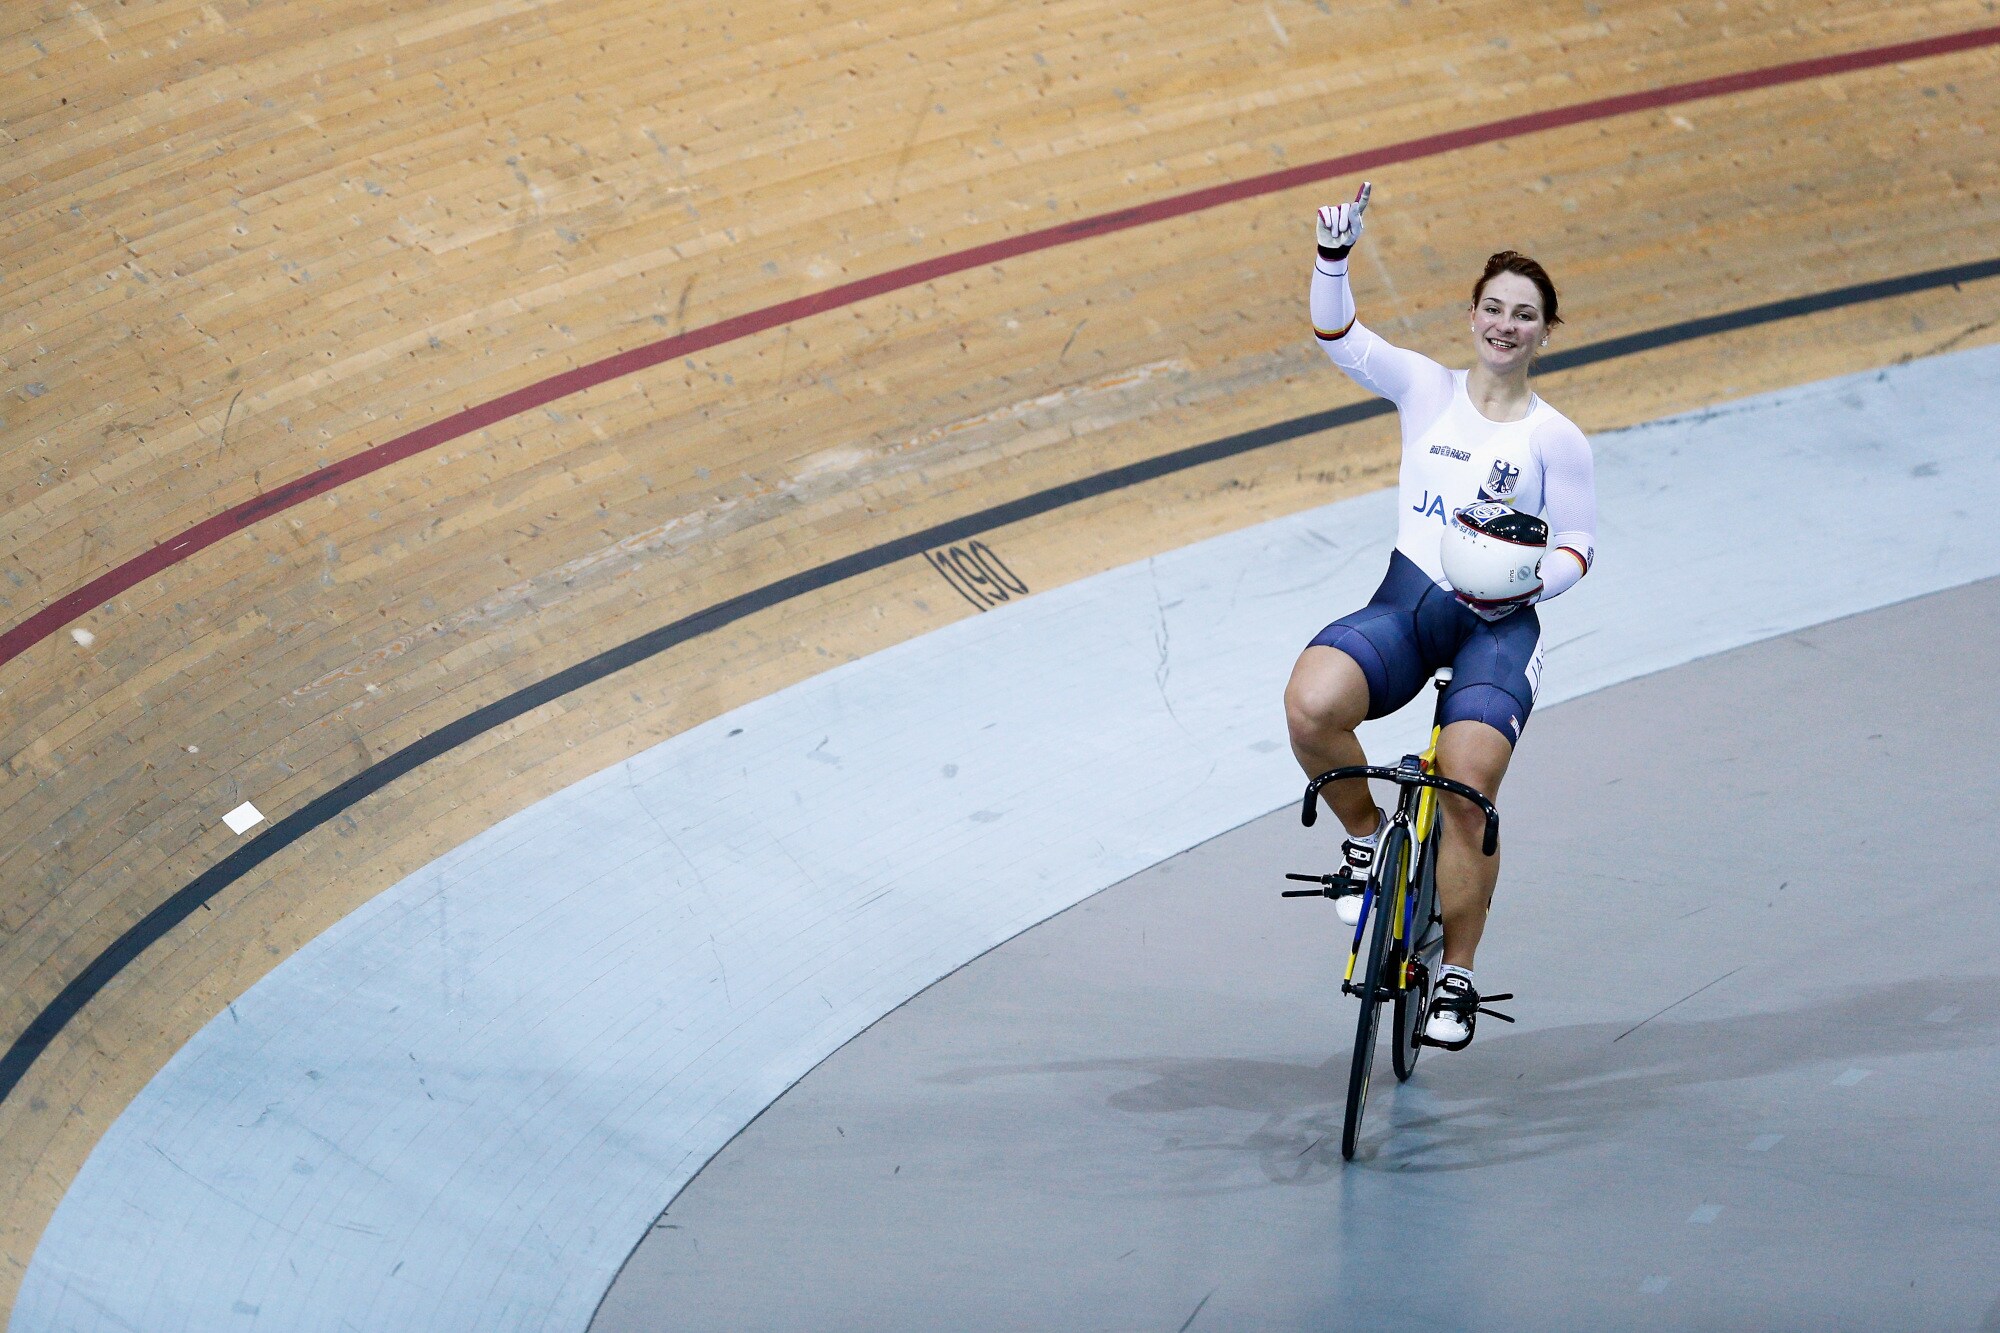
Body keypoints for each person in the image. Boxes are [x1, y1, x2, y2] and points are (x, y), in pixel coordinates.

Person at [1283, 182, 1597, 1050]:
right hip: (1410, 603)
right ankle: (1363, 838)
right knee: (1311, 706)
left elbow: (1578, 543)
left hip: (1500, 628)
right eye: (1493, 308)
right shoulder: (1425, 388)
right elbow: (1337, 336)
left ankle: (1456, 971)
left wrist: (1529, 588)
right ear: (1471, 316)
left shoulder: (1556, 439)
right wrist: (1332, 259)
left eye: (1524, 314)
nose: (1506, 324)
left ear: (1544, 330)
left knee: (1466, 793)